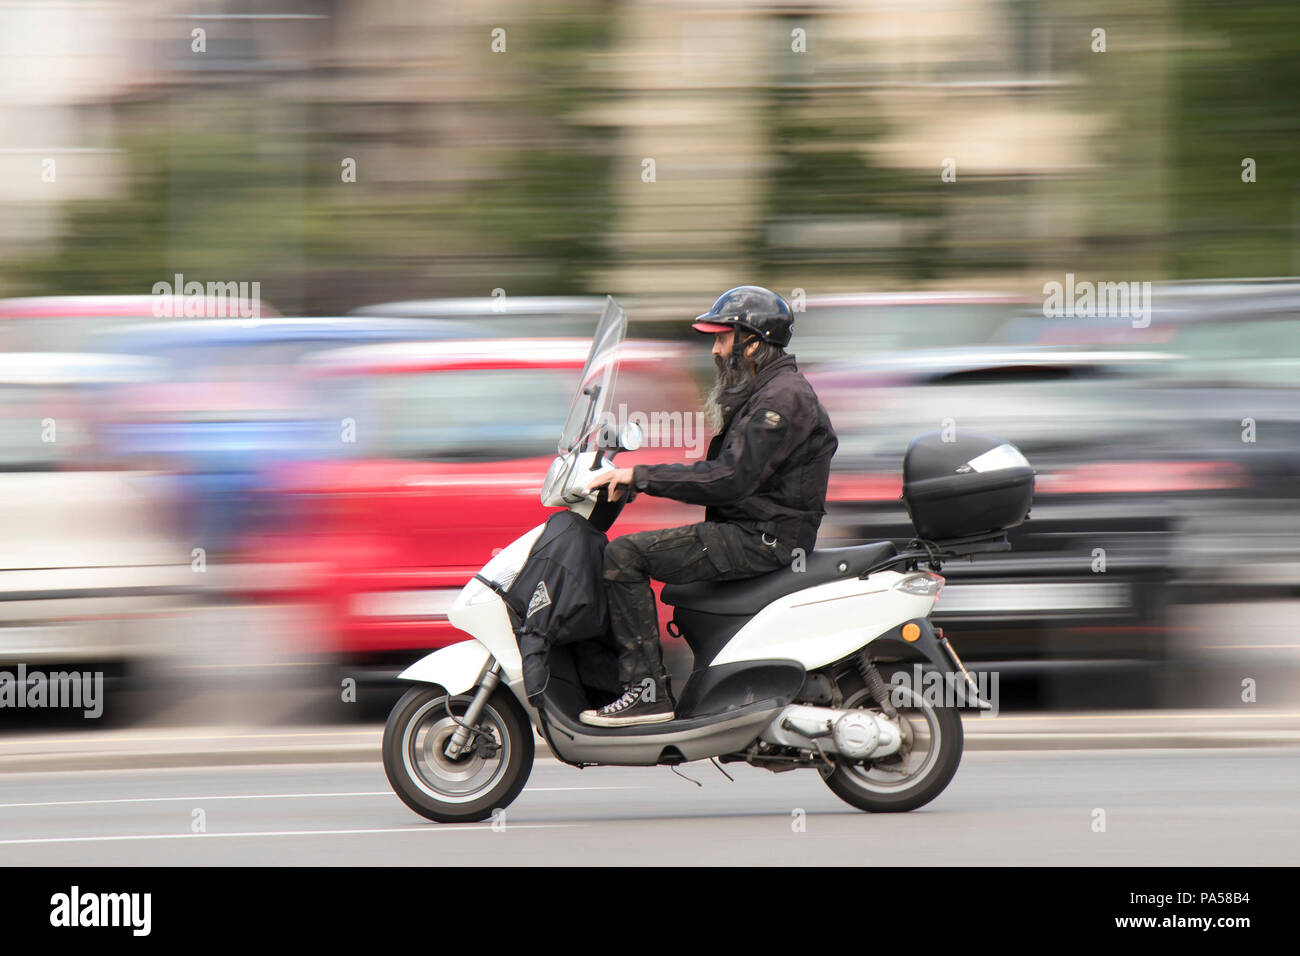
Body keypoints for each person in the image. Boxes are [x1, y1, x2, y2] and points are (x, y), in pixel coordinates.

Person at [580, 286, 838, 726]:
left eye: (722, 338)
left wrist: (640, 477)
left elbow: (730, 478)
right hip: (755, 529)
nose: (716, 350)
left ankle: (646, 692)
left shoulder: (779, 401)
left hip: (761, 538)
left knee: (624, 555)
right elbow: (724, 474)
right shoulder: (766, 390)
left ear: (753, 343)